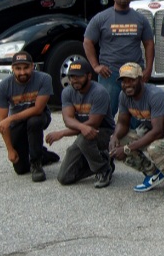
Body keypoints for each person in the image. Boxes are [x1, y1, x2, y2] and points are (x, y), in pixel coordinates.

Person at [109, 62, 164, 199]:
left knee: (155, 148)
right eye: (124, 81)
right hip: (151, 129)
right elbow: (122, 123)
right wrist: (114, 137)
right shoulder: (124, 95)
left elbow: (158, 132)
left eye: (131, 80)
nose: (127, 85)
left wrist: (127, 149)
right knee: (119, 141)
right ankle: (153, 173)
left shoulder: (155, 95)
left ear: (141, 79)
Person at [84, 0, 154, 118]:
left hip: (134, 73)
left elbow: (149, 43)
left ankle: (135, 132)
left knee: (137, 114)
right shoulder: (101, 18)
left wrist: (148, 68)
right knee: (106, 111)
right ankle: (105, 131)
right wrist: (96, 66)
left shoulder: (140, 19)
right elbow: (87, 42)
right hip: (110, 73)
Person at [45, 59, 115, 188]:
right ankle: (105, 161)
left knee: (84, 139)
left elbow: (93, 124)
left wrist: (62, 133)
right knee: (64, 177)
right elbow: (68, 119)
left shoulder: (99, 92)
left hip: (105, 133)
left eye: (79, 76)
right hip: (83, 133)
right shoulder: (67, 92)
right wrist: (81, 126)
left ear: (89, 76)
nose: (75, 80)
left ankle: (103, 170)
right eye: (72, 77)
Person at [0, 51, 58, 182]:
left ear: (32, 66)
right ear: (12, 68)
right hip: (18, 123)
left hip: (39, 116)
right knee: (21, 168)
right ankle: (42, 153)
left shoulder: (44, 79)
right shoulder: (3, 87)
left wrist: (11, 118)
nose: (22, 72)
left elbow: (38, 109)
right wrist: (10, 150)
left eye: (26, 68)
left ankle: (36, 164)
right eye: (18, 68)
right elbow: (3, 124)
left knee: (34, 121)